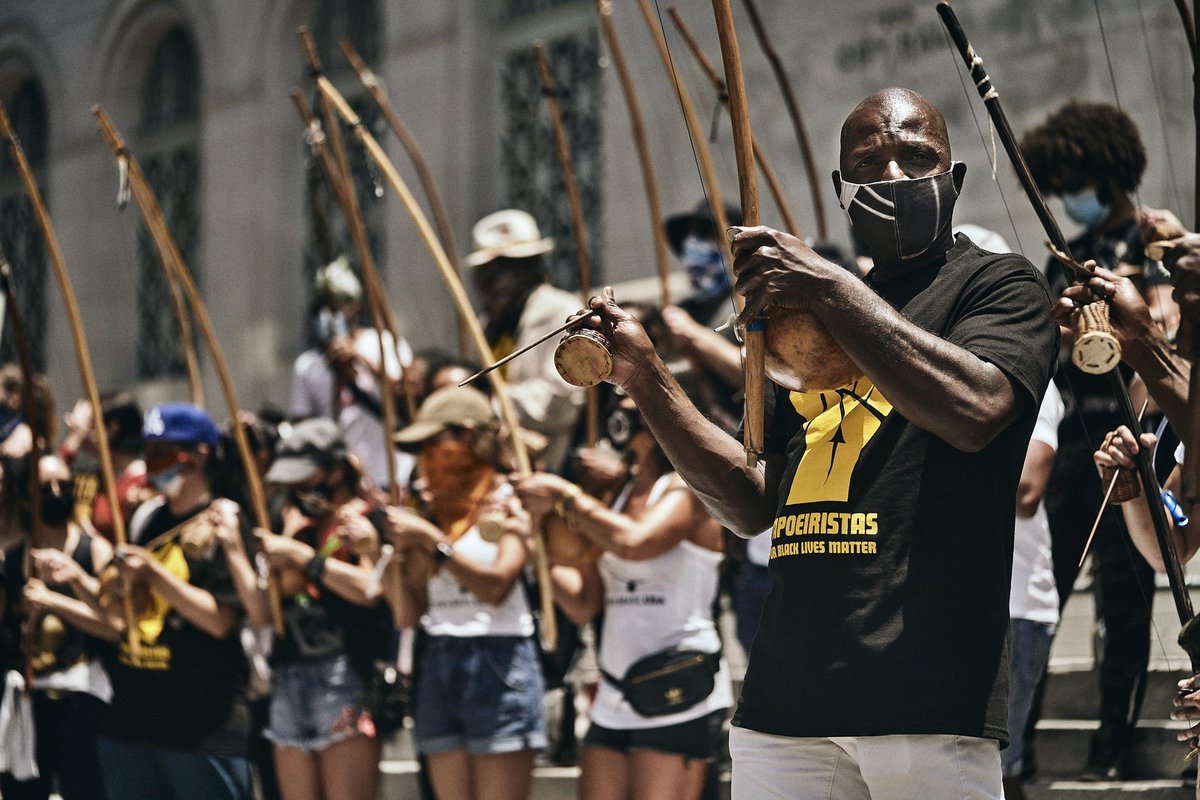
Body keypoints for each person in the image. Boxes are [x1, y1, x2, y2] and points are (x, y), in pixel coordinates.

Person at [573, 87, 1059, 798]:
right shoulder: (795, 326)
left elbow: (976, 407)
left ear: (953, 181)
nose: (893, 175)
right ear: (842, 189)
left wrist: (829, 287)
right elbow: (750, 502)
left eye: (917, 158)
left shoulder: (997, 285)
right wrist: (645, 377)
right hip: (785, 706)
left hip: (924, 698)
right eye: (870, 162)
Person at [1021, 102, 1179, 779]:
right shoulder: (1064, 258)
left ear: (1105, 175)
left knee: (1125, 596)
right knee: (1046, 593)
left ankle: (1111, 743)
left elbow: (1168, 328)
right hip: (1073, 446)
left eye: (1074, 182)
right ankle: (1017, 743)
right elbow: (1048, 347)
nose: (1068, 199)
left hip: (1135, 442)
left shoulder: (1152, 245)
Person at [513, 395, 732, 800]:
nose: (619, 414)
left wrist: (566, 497)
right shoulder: (616, 494)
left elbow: (635, 543)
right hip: (615, 690)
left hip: (678, 683)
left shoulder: (688, 487)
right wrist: (535, 546)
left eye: (631, 404)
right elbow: (584, 605)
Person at [385, 385, 545, 800]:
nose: (427, 458)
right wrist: (396, 557)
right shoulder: (428, 509)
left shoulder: (512, 498)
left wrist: (432, 542)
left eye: (433, 442)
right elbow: (409, 613)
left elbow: (496, 585)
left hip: (499, 658)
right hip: (437, 656)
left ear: (469, 437)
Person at [98, 403, 254, 800]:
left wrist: (154, 573)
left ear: (199, 455)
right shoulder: (146, 519)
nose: (152, 463)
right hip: (135, 722)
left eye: (163, 452)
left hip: (201, 728)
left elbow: (220, 620)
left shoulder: (224, 522)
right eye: (147, 452)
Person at [255, 418, 388, 800]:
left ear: (334, 469)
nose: (298, 491)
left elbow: (369, 589)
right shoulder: (297, 523)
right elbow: (268, 605)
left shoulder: (367, 520)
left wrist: (303, 556)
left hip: (344, 670)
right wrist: (286, 540)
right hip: (288, 667)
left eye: (306, 478)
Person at [0, 452, 112, 800]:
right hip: (29, 703)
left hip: (81, 703)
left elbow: (114, 626)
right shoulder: (14, 559)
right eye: (45, 487)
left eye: (64, 485)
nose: (56, 492)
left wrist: (56, 601)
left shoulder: (94, 552)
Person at [465, 209, 584, 471]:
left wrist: (488, 405)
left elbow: (562, 399)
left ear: (532, 268)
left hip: (549, 464)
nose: (494, 282)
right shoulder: (485, 324)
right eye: (486, 272)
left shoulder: (560, 311)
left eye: (506, 269)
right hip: (500, 462)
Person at [289, 255, 414, 492]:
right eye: (322, 308)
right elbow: (304, 426)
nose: (328, 315)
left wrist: (359, 358)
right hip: (345, 485)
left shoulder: (384, 344)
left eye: (336, 307)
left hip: (392, 474)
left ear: (355, 307)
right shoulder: (307, 364)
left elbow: (404, 394)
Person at [1003, 384, 1064, 800]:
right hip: (965, 601)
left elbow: (1025, 492)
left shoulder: (1033, 381)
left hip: (1016, 605)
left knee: (999, 764)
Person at [58, 391, 149, 542]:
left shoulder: (142, 482)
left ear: (112, 428)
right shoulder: (96, 478)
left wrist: (92, 539)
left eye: (88, 424)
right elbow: (47, 485)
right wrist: (72, 443)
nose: (81, 432)